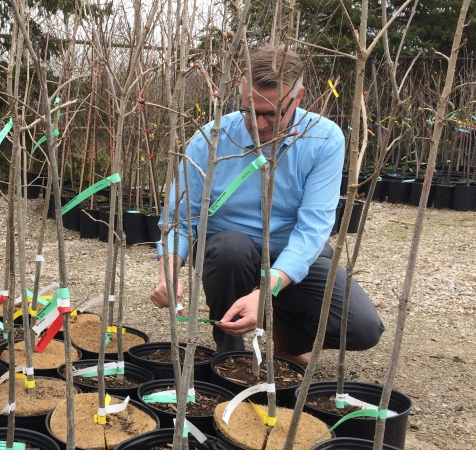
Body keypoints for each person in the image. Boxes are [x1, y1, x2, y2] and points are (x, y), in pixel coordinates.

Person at [149, 46, 384, 365]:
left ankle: (283, 330)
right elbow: (180, 217)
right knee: (231, 248)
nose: (258, 125)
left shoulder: (324, 140)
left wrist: (265, 293)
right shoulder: (210, 138)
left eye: (271, 113)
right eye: (249, 111)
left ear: (298, 99)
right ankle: (230, 352)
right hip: (229, 254)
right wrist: (168, 271)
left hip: (290, 253)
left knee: (361, 328)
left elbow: (312, 229)